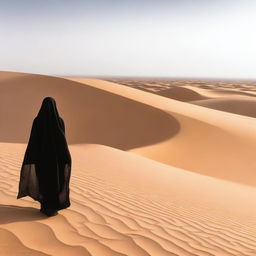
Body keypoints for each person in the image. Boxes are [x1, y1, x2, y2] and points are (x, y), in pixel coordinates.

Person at [17, 97, 72, 217]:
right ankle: (53, 207)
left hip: (42, 160)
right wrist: (66, 158)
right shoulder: (60, 121)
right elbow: (63, 142)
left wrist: (32, 157)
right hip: (58, 160)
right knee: (56, 181)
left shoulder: (38, 121)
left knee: (44, 182)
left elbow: (34, 141)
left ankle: (46, 207)